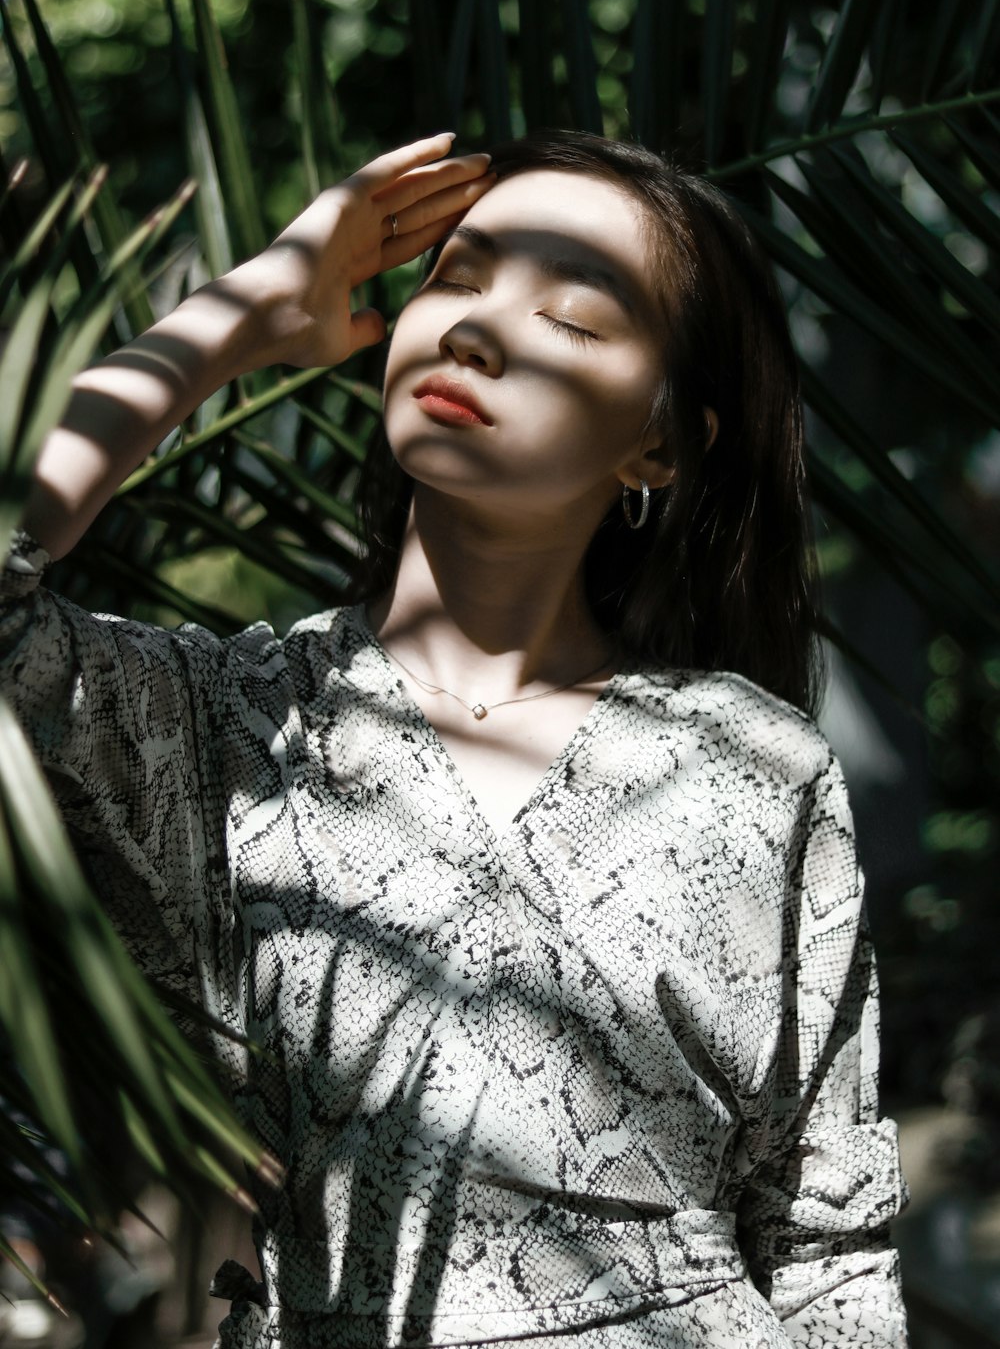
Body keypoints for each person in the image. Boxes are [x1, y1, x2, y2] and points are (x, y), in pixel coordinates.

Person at [1, 131, 908, 1347]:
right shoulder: (231, 720)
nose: (478, 329)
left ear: (656, 444)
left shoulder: (757, 762)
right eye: (458, 278)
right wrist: (246, 311)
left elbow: (829, 1240)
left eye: (577, 319)